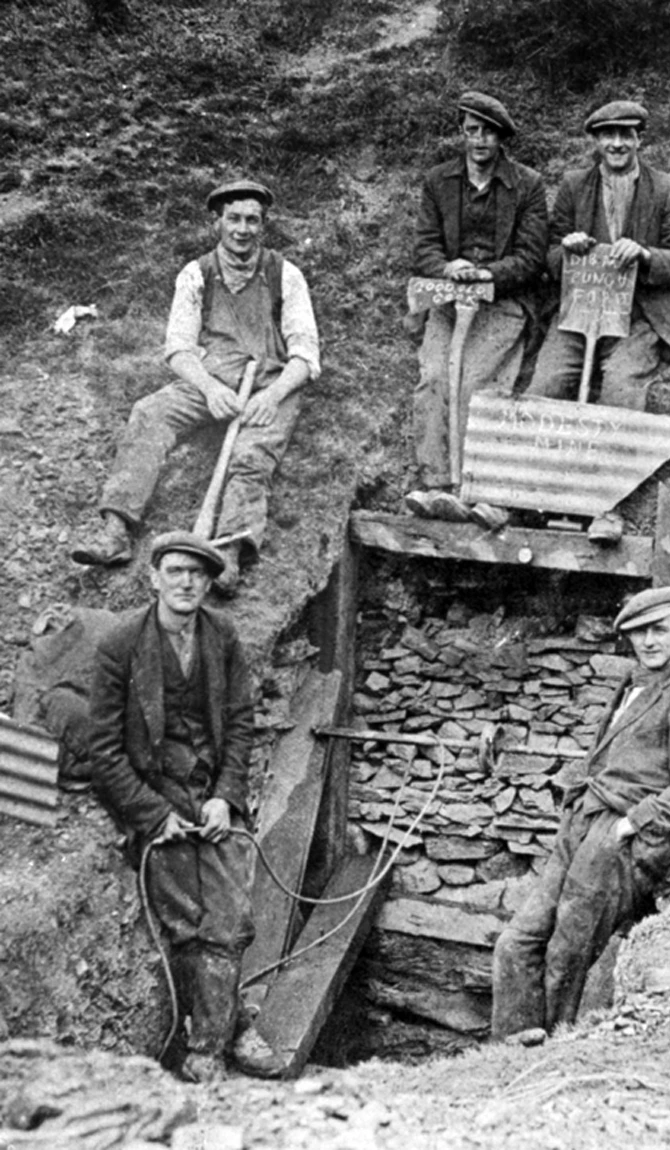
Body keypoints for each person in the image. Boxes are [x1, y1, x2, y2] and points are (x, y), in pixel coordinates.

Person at [491, 585, 670, 1040]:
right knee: (515, 944)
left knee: (565, 958)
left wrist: (629, 825)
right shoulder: (632, 684)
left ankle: (551, 1058)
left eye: (659, 630)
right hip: (581, 823)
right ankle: (505, 1054)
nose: (650, 641)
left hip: (619, 838)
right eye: (639, 634)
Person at [72, 178, 320, 594]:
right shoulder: (196, 274)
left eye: (252, 221)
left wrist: (271, 397)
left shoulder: (285, 274)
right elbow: (179, 350)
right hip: (213, 381)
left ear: (263, 225)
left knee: (251, 455)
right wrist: (209, 389)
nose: (243, 230)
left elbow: (306, 356)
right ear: (217, 223)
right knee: (149, 413)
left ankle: (228, 552)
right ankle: (115, 531)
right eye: (234, 219)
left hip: (270, 384)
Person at [88, 531, 256, 1082]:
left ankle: (224, 1033)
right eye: (177, 571)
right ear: (154, 577)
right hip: (156, 800)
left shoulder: (222, 636)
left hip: (208, 798)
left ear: (210, 584)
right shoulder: (119, 644)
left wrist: (225, 799)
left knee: (231, 921)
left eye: (199, 575)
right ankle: (211, 1045)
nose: (187, 583)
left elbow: (239, 724)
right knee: (186, 924)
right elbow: (103, 750)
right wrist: (154, 815)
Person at [526, 100, 670, 543]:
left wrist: (644, 255)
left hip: (639, 315)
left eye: (626, 134)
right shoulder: (573, 186)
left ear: (639, 139)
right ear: (596, 141)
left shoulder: (665, 190)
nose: (617, 143)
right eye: (608, 135)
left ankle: (607, 504)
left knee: (621, 386)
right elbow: (546, 254)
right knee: (546, 384)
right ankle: (537, 497)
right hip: (580, 309)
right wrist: (568, 249)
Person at [406, 91, 548, 528]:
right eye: (472, 131)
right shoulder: (438, 181)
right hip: (449, 300)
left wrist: (486, 274)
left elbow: (531, 257)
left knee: (476, 384)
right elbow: (425, 245)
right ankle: (436, 484)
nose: (479, 140)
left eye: (488, 132)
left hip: (501, 301)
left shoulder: (527, 185)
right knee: (434, 376)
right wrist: (449, 267)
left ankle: (480, 487)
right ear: (461, 133)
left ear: (501, 138)